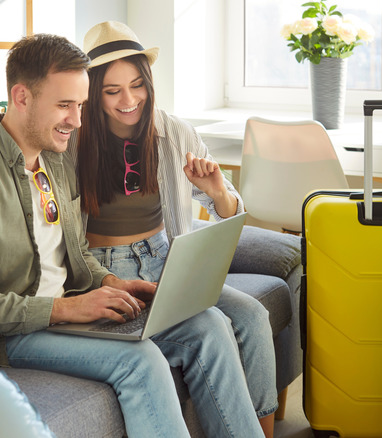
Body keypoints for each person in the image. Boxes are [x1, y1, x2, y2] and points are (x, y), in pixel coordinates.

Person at [0, 33, 265, 437]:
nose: (78, 120)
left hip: (63, 313)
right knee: (143, 360)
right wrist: (68, 309)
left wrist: (111, 283)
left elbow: (76, 251)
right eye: (65, 105)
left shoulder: (54, 161)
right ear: (21, 97)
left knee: (207, 326)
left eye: (80, 105)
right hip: (8, 335)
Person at [70, 21, 278, 437]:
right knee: (208, 331)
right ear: (92, 92)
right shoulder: (74, 139)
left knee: (252, 317)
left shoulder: (172, 130)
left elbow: (229, 210)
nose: (129, 100)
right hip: (108, 268)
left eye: (137, 86)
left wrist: (217, 190)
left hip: (167, 259)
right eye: (112, 91)